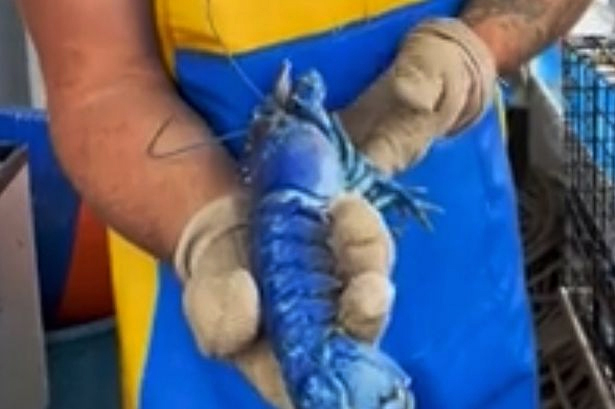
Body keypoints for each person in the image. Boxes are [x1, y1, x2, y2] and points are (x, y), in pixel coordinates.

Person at [18, 0, 591, 408]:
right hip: (222, 302)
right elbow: (99, 81)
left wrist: (474, 48)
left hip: (465, 271)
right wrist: (212, 233)